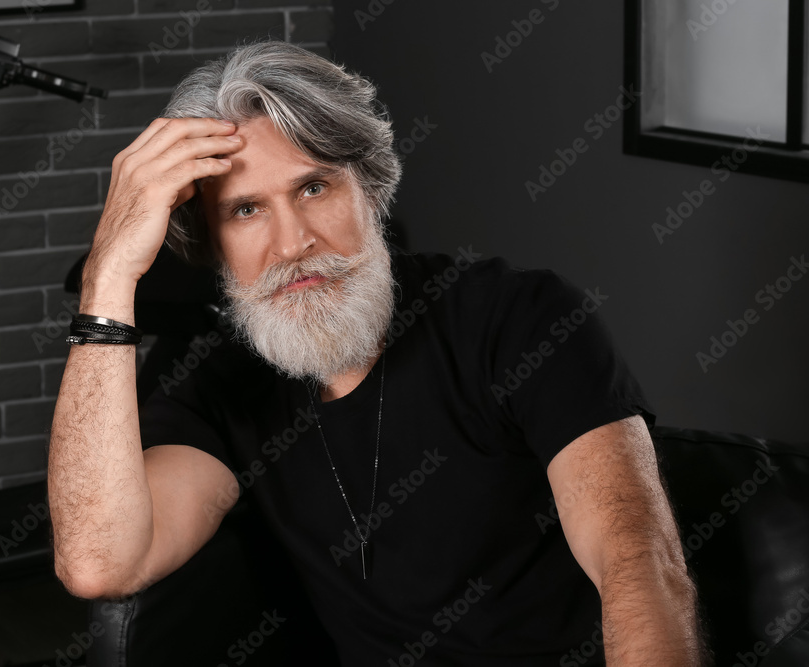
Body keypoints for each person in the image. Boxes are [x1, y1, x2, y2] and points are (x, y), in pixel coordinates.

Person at [48, 40, 706, 665]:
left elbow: (639, 561)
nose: (293, 241)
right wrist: (108, 278)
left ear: (371, 188)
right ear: (215, 247)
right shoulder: (225, 390)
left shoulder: (521, 321)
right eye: (246, 210)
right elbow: (98, 560)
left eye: (314, 187)